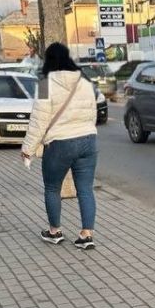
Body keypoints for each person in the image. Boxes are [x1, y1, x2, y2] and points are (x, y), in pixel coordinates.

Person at [21, 41, 98, 248]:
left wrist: (27, 148)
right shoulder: (85, 82)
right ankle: (86, 235)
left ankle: (54, 231)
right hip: (88, 140)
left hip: (60, 143)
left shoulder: (45, 84)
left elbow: (38, 121)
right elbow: (94, 112)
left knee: (52, 188)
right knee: (85, 189)